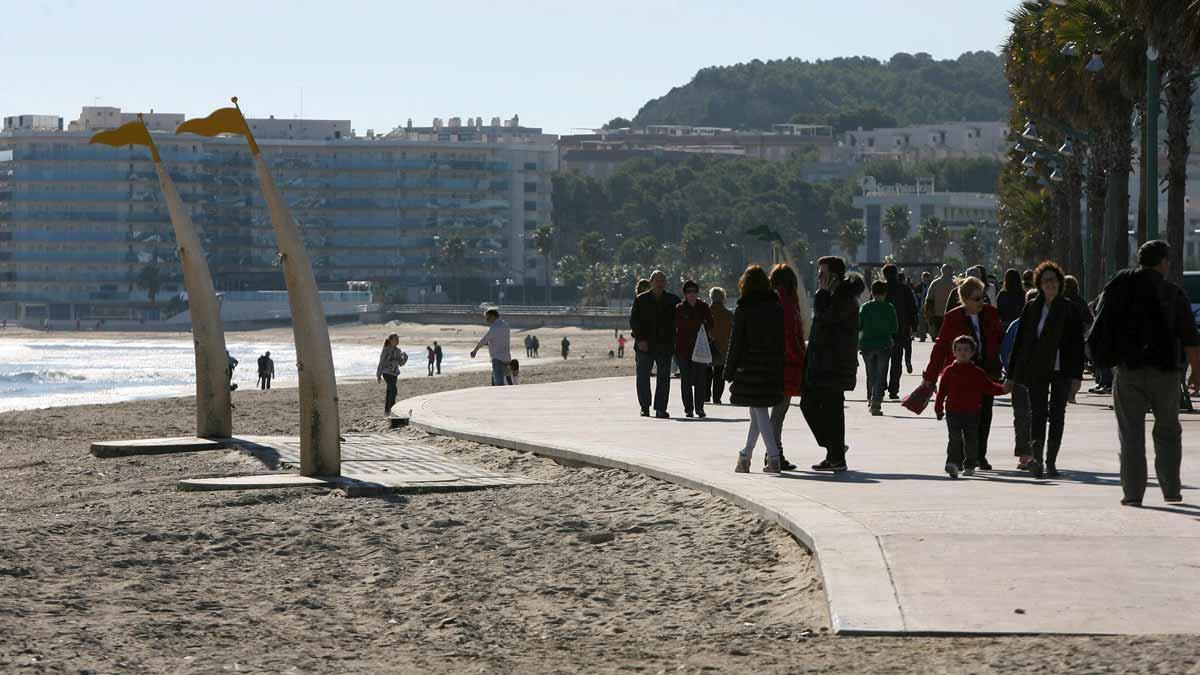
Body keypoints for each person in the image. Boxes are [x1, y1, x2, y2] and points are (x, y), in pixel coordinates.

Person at [1088, 240, 1200, 506]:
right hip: (1166, 373)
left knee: (1131, 434)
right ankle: (1171, 490)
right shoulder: (1173, 293)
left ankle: (1133, 493)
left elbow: (1101, 322)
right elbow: (1190, 338)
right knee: (1168, 431)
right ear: (1162, 262)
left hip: (1128, 372)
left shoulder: (1119, 286)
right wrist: (1196, 372)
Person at [1006, 262, 1086, 478]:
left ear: (1060, 283)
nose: (1050, 284)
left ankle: (1051, 462)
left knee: (1057, 415)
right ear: (1039, 284)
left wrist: (1077, 376)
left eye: (1054, 280)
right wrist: (1012, 375)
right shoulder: (1032, 307)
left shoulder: (1069, 308)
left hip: (1062, 370)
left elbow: (1077, 345)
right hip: (1036, 370)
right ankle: (1038, 460)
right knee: (1037, 415)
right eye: (1046, 280)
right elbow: (1020, 343)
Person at [923, 276, 1003, 470]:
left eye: (983, 297)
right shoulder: (953, 317)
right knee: (961, 418)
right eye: (977, 299)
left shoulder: (991, 313)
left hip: (986, 371)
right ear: (965, 299)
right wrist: (931, 377)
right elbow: (941, 347)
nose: (981, 302)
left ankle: (978, 456)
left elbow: (1001, 340)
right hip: (961, 374)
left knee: (984, 416)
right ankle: (958, 459)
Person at [803, 256, 860, 472]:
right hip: (822, 362)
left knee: (832, 410)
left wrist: (821, 294)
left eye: (822, 274)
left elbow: (824, 319)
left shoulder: (843, 298)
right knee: (813, 405)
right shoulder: (835, 296)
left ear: (833, 276)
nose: (819, 278)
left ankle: (836, 455)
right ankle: (834, 450)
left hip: (834, 364)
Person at [727, 265, 786, 474]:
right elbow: (782, 340)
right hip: (771, 364)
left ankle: (773, 457)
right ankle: (746, 456)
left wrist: (729, 369)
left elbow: (737, 342)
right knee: (756, 411)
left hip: (750, 365)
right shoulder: (776, 307)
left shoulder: (744, 308)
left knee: (759, 409)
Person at [935, 335, 1011, 478]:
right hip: (953, 412)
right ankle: (953, 463)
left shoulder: (977, 372)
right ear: (954, 352)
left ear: (972, 353)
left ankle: (969, 464)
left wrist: (1004, 389)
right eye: (959, 349)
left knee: (971, 440)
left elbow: (989, 387)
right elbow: (942, 392)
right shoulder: (949, 372)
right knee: (955, 438)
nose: (962, 352)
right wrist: (938, 408)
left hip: (972, 412)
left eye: (966, 350)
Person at [768, 265, 806, 471]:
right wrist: (801, 356)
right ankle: (775, 454)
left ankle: (769, 453)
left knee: (767, 413)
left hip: (771, 362)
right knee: (779, 412)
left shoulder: (770, 299)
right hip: (786, 364)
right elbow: (791, 336)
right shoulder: (788, 302)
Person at [630, 270, 680, 418]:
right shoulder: (641, 299)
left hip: (665, 346)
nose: (659, 283)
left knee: (664, 378)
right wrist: (640, 340)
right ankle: (644, 406)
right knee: (643, 376)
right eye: (656, 280)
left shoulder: (673, 300)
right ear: (651, 282)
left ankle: (660, 408)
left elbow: (679, 322)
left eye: (662, 280)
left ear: (665, 283)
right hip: (644, 345)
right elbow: (634, 321)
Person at [1001, 288, 1039, 471]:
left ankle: (1034, 453)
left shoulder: (1047, 324)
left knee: (1034, 415)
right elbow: (1006, 351)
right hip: (1019, 378)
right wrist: (1010, 373)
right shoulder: (1016, 326)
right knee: (1022, 416)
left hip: (1039, 378)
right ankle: (1025, 454)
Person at [674, 280, 715, 418]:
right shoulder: (679, 308)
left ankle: (700, 408)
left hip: (700, 349)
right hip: (682, 349)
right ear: (684, 293)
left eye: (694, 291)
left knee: (700, 380)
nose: (692, 294)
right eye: (689, 291)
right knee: (685, 380)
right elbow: (674, 327)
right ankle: (688, 409)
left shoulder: (703, 307)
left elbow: (711, 323)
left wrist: (705, 327)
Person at [859, 280, 898, 416]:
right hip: (884, 345)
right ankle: (876, 403)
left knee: (871, 374)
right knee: (881, 375)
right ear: (885, 293)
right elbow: (894, 328)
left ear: (872, 292)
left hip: (867, 345)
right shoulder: (890, 308)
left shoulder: (865, 307)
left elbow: (859, 326)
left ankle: (870, 398)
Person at [882, 264, 917, 399]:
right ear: (896, 274)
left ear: (884, 275)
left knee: (883, 359)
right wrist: (913, 326)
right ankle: (893, 389)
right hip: (900, 330)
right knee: (897, 361)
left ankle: (881, 385)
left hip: (883, 331)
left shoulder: (881, 288)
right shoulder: (904, 289)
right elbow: (912, 308)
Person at [470, 308, 512, 386]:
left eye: (487, 318)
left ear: (493, 316)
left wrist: (475, 351)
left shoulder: (494, 328)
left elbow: (484, 340)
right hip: (507, 359)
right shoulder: (506, 325)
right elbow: (499, 339)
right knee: (509, 382)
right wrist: (490, 343)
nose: (487, 321)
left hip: (497, 360)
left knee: (498, 384)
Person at [709, 287, 734, 405]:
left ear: (711, 297)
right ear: (724, 298)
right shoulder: (729, 314)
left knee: (706, 373)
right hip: (723, 348)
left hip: (709, 347)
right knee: (719, 374)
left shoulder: (706, 312)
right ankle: (717, 397)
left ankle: (705, 395)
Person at [925, 264, 956, 343]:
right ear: (952, 271)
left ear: (941, 271)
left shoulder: (935, 283)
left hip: (937, 314)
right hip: (953, 313)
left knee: (939, 336)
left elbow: (929, 299)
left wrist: (928, 314)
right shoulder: (956, 283)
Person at [376, 333, 405, 414]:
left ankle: (387, 410)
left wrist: (405, 358)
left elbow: (401, 363)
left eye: (398, 339)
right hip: (386, 373)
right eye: (396, 339)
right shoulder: (385, 350)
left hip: (394, 374)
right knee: (393, 390)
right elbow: (381, 362)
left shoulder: (398, 351)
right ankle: (392, 408)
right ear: (390, 340)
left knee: (389, 392)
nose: (397, 341)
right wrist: (378, 375)